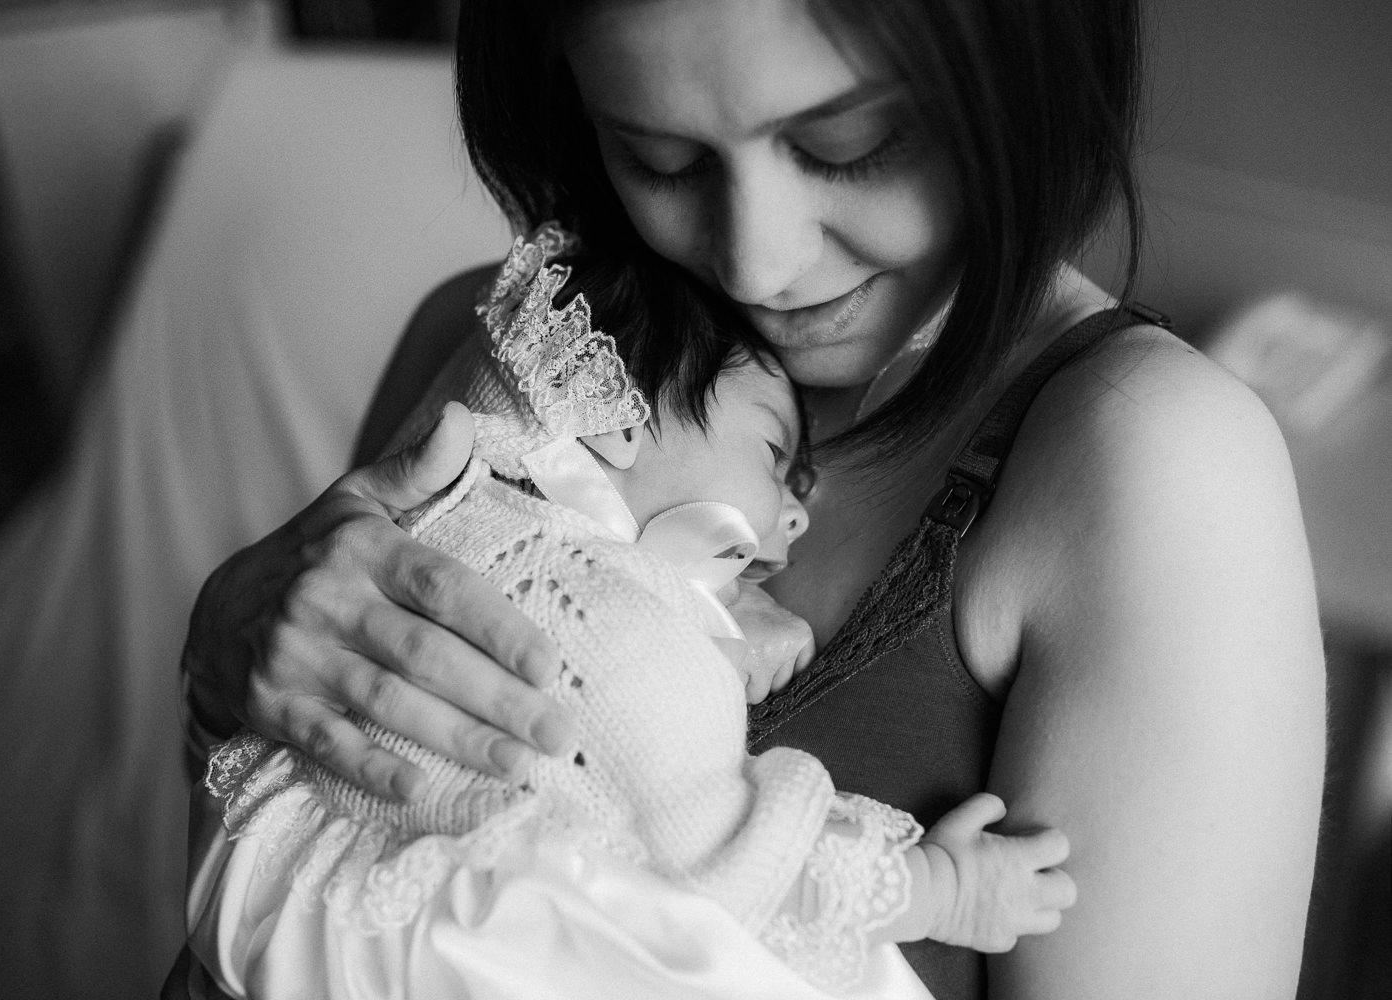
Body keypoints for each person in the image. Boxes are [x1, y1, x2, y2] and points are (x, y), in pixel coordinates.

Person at [180, 3, 1326, 998]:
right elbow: (284, 900)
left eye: (851, 144)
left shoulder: (1150, 465)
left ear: (1018, 75)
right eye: (662, 160)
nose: (761, 264)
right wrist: (229, 651)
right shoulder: (487, 351)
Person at [183, 226, 1076, 999]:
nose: (796, 512)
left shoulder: (432, 520)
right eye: (773, 452)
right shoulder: (604, 623)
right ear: (615, 423)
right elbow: (724, 846)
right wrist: (937, 887)